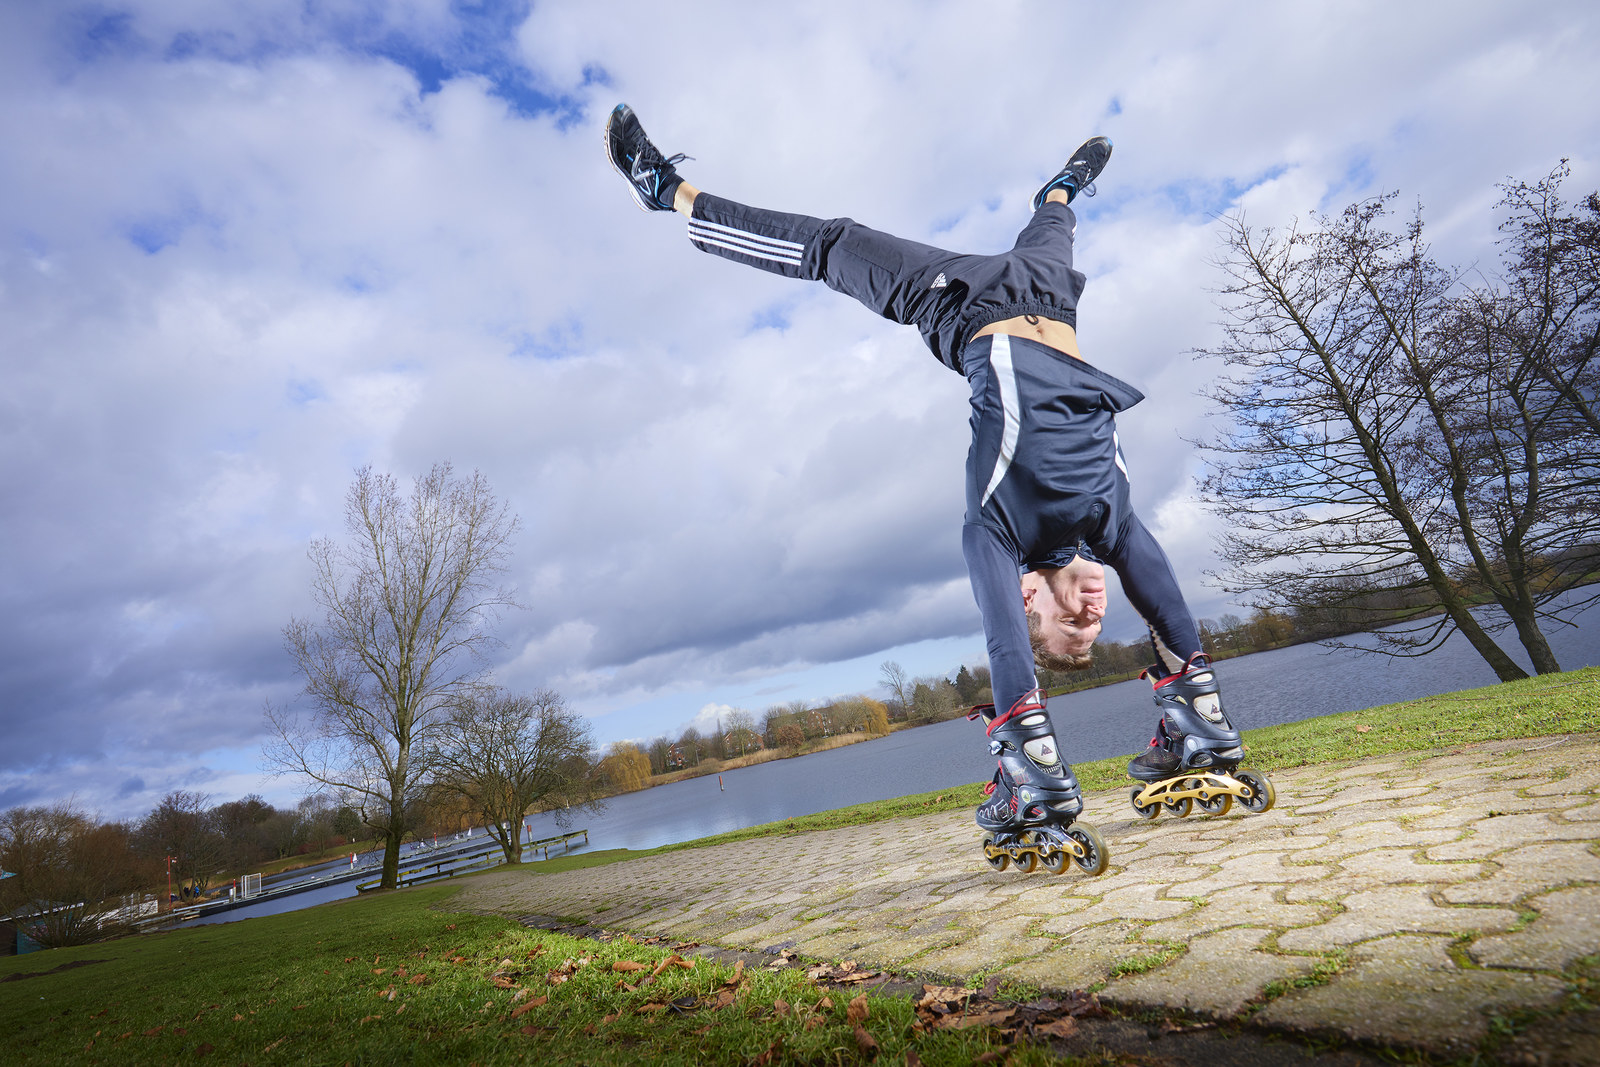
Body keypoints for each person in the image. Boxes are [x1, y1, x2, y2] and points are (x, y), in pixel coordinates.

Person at [604, 104, 1253, 870]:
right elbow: (1167, 605)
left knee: (831, 243)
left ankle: (667, 191)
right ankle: (1063, 185)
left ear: (1029, 598)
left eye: (1069, 623)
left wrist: (1029, 755)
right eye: (1095, 623)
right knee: (1054, 222)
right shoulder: (1112, 523)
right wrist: (1199, 709)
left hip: (951, 299)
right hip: (1048, 290)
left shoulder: (999, 527)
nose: (1094, 609)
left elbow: (1001, 642)